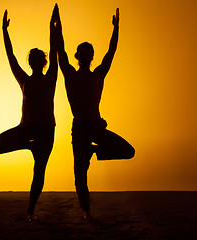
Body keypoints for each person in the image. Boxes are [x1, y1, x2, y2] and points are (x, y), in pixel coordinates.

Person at [54, 5, 135, 219]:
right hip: (80, 128)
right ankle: (87, 212)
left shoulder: (98, 74)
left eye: (90, 53)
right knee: (79, 175)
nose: (87, 56)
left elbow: (111, 52)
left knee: (128, 151)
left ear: (92, 56)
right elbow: (60, 51)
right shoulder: (70, 74)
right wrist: (57, 27)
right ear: (78, 55)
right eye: (84, 53)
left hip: (96, 126)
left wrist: (116, 28)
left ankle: (94, 152)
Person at [0, 4, 59, 221]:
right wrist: (4, 31)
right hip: (26, 128)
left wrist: (52, 25)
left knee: (39, 171)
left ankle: (30, 211)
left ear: (44, 63)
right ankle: (28, 145)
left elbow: (54, 49)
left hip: (47, 130)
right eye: (33, 60)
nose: (36, 63)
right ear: (30, 63)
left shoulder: (51, 78)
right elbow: (10, 57)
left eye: (40, 60)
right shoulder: (24, 80)